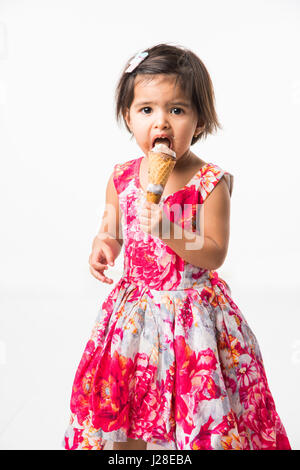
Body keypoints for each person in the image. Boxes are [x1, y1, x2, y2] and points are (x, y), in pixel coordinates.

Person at [63, 43, 291, 450]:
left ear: (199, 119)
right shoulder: (121, 177)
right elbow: (113, 226)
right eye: (146, 109)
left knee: (202, 414)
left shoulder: (210, 183)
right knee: (126, 405)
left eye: (178, 110)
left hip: (194, 321)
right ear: (128, 117)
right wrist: (104, 244)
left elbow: (215, 251)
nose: (161, 122)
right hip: (134, 317)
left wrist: (170, 231)